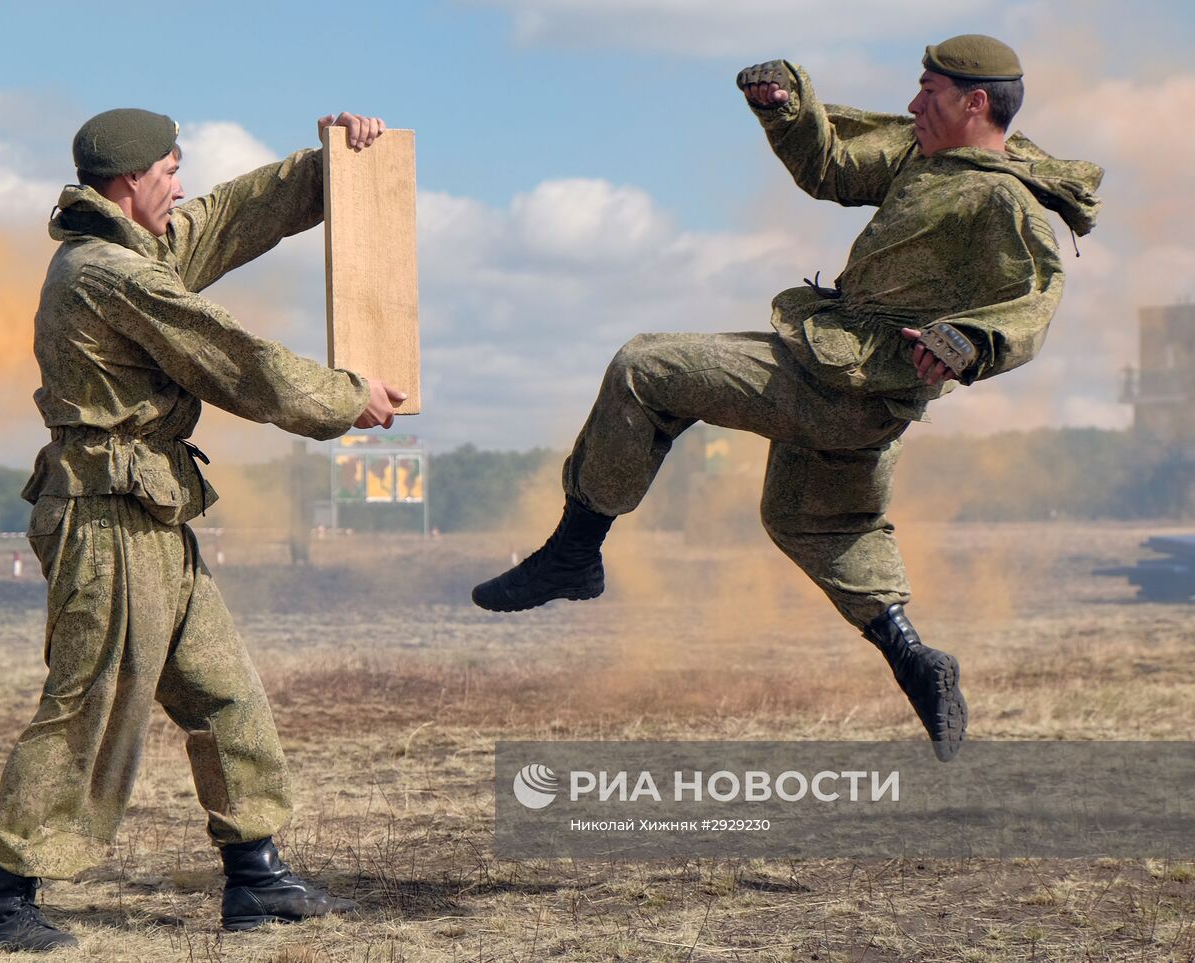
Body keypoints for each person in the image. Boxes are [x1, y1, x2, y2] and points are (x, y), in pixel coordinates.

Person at [472, 35, 1102, 763]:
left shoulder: (1001, 196)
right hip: (863, 399)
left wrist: (970, 341)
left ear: (975, 102)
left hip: (840, 382)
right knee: (812, 520)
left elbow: (1034, 295)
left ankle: (573, 553)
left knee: (646, 368)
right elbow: (831, 165)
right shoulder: (923, 155)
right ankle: (918, 663)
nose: (911, 103)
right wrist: (788, 107)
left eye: (927, 92)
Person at [0, 107, 407, 952]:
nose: (181, 186)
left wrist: (334, 165)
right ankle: (7, 902)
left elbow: (232, 216)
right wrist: (345, 397)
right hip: (105, 519)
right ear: (131, 181)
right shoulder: (108, 274)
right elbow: (232, 356)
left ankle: (256, 877)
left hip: (154, 510)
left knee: (224, 692)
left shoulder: (139, 249)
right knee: (86, 703)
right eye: (171, 170)